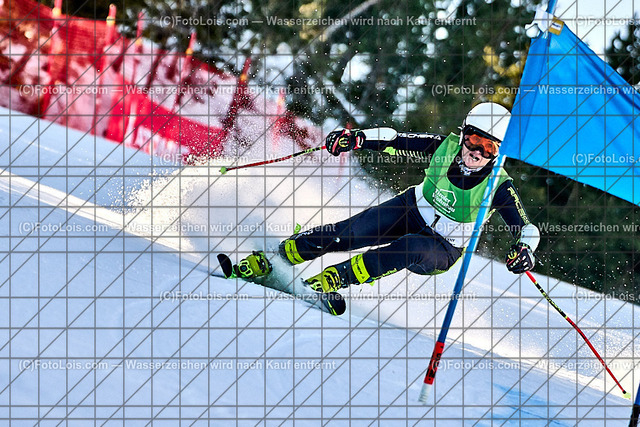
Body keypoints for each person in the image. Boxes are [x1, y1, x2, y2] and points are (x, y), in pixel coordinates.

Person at [277, 102, 540, 293]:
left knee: (409, 247)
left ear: (498, 153)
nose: (477, 152)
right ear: (463, 135)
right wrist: (357, 139)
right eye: (473, 140)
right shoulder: (444, 146)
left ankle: (333, 279)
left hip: (442, 247)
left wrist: (525, 249)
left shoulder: (499, 185)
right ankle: (282, 255)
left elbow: (526, 227)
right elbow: (395, 140)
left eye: (489, 147)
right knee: (349, 233)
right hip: (410, 209)